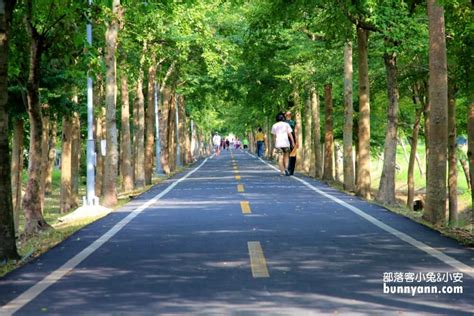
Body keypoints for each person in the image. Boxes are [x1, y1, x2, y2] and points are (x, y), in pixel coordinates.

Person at [285, 110, 298, 175]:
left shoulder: (283, 122)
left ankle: (288, 169)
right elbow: (295, 132)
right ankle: (290, 170)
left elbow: (296, 132)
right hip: (291, 139)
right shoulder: (293, 122)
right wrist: (296, 141)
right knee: (292, 155)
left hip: (286, 139)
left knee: (287, 154)